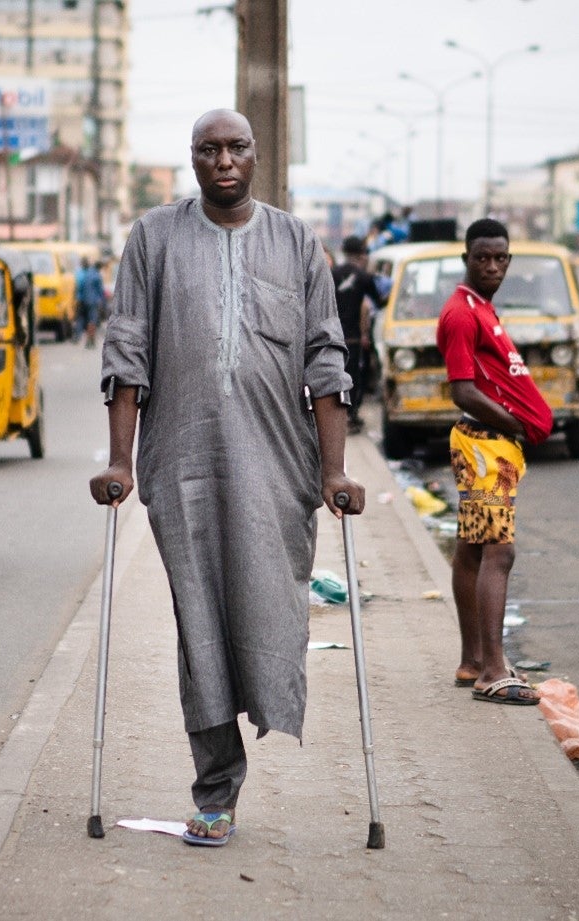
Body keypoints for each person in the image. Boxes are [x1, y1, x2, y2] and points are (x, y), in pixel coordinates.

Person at [89, 108, 365, 847]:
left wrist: (335, 470)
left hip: (278, 470)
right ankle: (215, 788)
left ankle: (254, 726)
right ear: (192, 159)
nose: (223, 160)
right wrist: (120, 460)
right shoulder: (154, 238)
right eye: (208, 149)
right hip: (183, 466)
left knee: (272, 611)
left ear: (256, 153)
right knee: (200, 624)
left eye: (236, 146)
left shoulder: (295, 241)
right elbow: (127, 354)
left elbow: (326, 363)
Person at [436, 218, 553, 705]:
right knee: (498, 553)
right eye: (482, 257)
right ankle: (492, 673)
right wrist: (515, 424)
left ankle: (473, 662)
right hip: (484, 446)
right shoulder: (462, 314)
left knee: (471, 548)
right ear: (466, 258)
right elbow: (462, 389)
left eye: (500, 258)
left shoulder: (481, 309)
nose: (491, 266)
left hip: (487, 443)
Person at [330, 235, 383, 432]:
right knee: (354, 378)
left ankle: (336, 416)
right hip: (353, 338)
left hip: (333, 335)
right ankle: (351, 416)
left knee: (333, 377)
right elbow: (378, 301)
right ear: (361, 253)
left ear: (344, 252)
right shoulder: (363, 277)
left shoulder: (332, 274)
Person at [75, 259, 106, 348]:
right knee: (92, 321)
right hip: (93, 302)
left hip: (84, 300)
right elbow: (100, 292)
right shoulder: (97, 276)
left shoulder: (87, 274)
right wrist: (103, 303)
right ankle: (90, 340)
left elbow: (80, 287)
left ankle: (88, 340)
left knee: (87, 320)